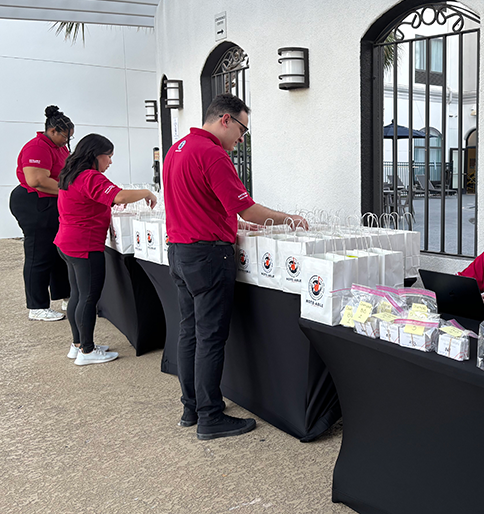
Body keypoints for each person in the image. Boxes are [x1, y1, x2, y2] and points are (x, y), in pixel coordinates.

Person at [163, 93, 308, 440]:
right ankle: (210, 416)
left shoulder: (177, 149)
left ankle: (191, 407)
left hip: (180, 251)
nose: (241, 139)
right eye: (242, 130)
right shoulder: (212, 153)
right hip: (208, 257)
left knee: (189, 332)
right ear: (225, 119)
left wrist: (234, 224)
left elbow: (198, 202)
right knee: (210, 338)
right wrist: (289, 219)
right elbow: (247, 207)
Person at [55, 134, 157, 366]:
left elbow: (97, 198)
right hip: (85, 245)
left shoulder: (71, 174)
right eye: (108, 156)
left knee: (77, 295)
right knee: (88, 298)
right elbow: (119, 195)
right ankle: (87, 351)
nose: (110, 162)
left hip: (67, 242)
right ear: (95, 155)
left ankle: (78, 344)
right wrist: (146, 192)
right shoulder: (90, 176)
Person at [10, 106, 74, 321]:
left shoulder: (58, 147)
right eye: (65, 136)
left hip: (54, 201)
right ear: (53, 131)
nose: (67, 141)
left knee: (58, 251)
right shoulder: (37, 147)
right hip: (35, 202)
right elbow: (37, 180)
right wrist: (73, 191)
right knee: (39, 253)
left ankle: (65, 295)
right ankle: (37, 306)